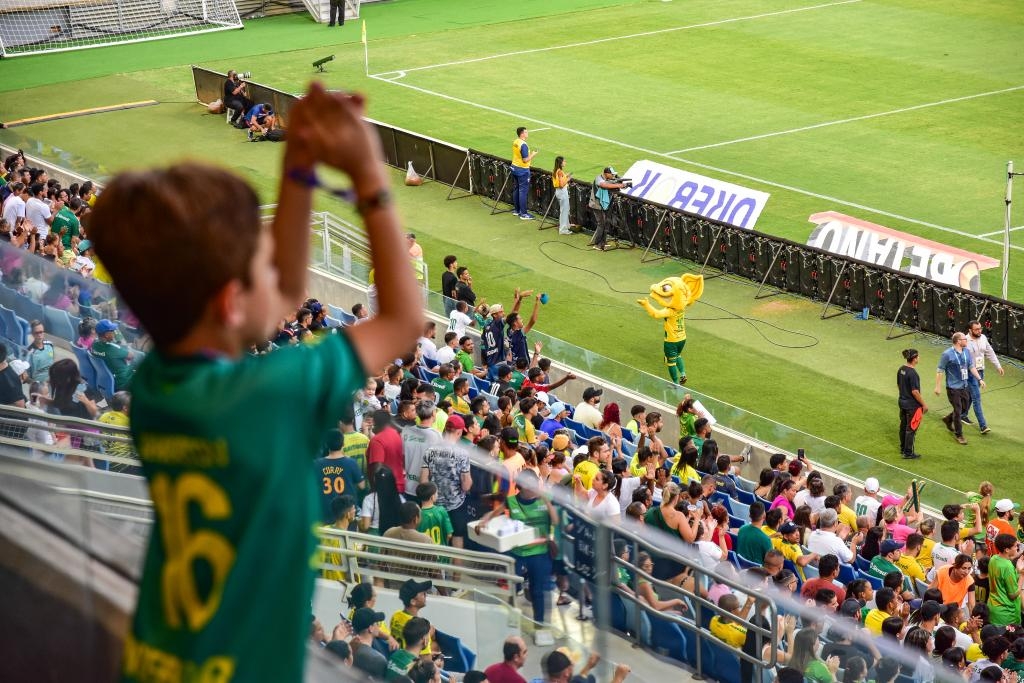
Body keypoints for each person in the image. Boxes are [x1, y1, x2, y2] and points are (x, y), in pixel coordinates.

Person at [91, 83, 424, 683]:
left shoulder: (154, 388)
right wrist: (367, 175)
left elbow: (281, 297)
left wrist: (298, 162)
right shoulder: (272, 392)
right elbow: (402, 320)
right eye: (258, 262)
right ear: (230, 301)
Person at [476, 469, 558, 645]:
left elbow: (556, 521)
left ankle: (540, 627)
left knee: (538, 591)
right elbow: (495, 512)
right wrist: (484, 521)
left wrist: (545, 500)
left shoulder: (545, 500)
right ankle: (512, 619)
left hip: (540, 552)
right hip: (518, 552)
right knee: (512, 586)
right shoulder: (511, 501)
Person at [935, 331, 985, 445]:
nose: (966, 341)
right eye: (964, 339)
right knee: (958, 411)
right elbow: (940, 371)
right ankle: (959, 435)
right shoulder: (947, 354)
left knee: (964, 408)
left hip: (964, 386)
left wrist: (980, 379)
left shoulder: (966, 352)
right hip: (953, 388)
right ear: (958, 341)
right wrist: (937, 387)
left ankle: (948, 419)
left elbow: (971, 367)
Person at [963, 320, 1004, 435]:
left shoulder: (983, 338)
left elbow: (989, 352)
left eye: (980, 328)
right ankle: (983, 425)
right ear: (970, 330)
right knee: (977, 398)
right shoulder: (965, 341)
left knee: (971, 395)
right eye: (976, 329)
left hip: (981, 371)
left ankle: (962, 415)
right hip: (970, 373)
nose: (979, 331)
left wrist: (998, 366)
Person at [587, 167, 628, 251]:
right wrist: (619, 185)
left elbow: (612, 184)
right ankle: (597, 244)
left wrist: (620, 182)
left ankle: (603, 242)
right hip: (596, 205)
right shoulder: (599, 178)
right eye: (611, 174)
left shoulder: (609, 178)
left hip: (603, 205)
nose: (613, 175)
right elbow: (603, 185)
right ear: (606, 174)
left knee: (606, 223)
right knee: (601, 224)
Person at [897, 348, 927, 459]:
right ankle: (908, 453)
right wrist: (924, 404)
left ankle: (902, 448)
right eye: (918, 356)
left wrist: (904, 395)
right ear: (914, 359)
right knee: (911, 429)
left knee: (903, 426)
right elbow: (915, 392)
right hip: (912, 406)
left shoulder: (901, 369)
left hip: (902, 402)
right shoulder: (913, 373)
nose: (919, 358)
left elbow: (899, 386)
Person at [987, 534, 1022, 627]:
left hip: (994, 609)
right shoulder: (1008, 567)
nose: (1017, 548)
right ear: (1006, 549)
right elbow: (1013, 594)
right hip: (1006, 615)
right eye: (1015, 546)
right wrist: (1022, 574)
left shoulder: (993, 558)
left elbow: (1004, 563)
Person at [510, 127, 538, 220]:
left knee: (516, 189)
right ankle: (523, 214)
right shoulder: (524, 145)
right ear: (522, 134)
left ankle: (517, 210)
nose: (527, 133)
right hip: (522, 170)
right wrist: (533, 154)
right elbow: (525, 160)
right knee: (522, 191)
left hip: (514, 167)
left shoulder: (515, 141)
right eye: (526, 132)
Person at [552, 156, 572, 235]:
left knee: (564, 210)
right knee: (564, 211)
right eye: (564, 161)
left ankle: (566, 226)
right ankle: (563, 229)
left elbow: (559, 180)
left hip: (558, 192)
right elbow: (561, 184)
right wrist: (568, 179)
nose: (565, 162)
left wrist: (565, 176)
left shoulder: (556, 170)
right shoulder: (559, 172)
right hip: (562, 192)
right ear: (560, 163)